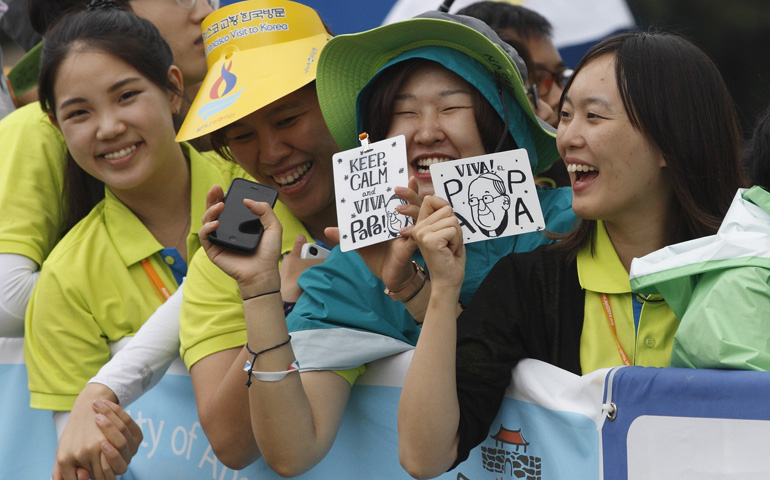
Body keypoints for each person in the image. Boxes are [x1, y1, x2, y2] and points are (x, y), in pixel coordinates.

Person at [193, 10, 575, 475]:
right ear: (374, 140)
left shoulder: (572, 224)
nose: (426, 130)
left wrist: (421, 296)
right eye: (402, 112)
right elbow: (291, 451)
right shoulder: (356, 267)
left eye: (451, 108)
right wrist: (261, 292)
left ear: (501, 122)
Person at [397, 31, 747, 478]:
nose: (568, 139)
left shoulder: (751, 273)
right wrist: (443, 288)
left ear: (671, 139)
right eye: (565, 115)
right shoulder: (527, 284)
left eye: (594, 117)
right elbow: (424, 455)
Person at [21, 5, 242, 479]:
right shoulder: (64, 281)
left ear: (174, 90)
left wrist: (108, 386)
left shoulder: (252, 186)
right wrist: (104, 457)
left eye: (126, 96)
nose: (108, 127)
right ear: (57, 128)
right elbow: (79, 452)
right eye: (79, 113)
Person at [0, 0, 215, 337]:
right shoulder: (34, 128)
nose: (204, 12)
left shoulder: (206, 114)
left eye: (127, 96)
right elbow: (6, 304)